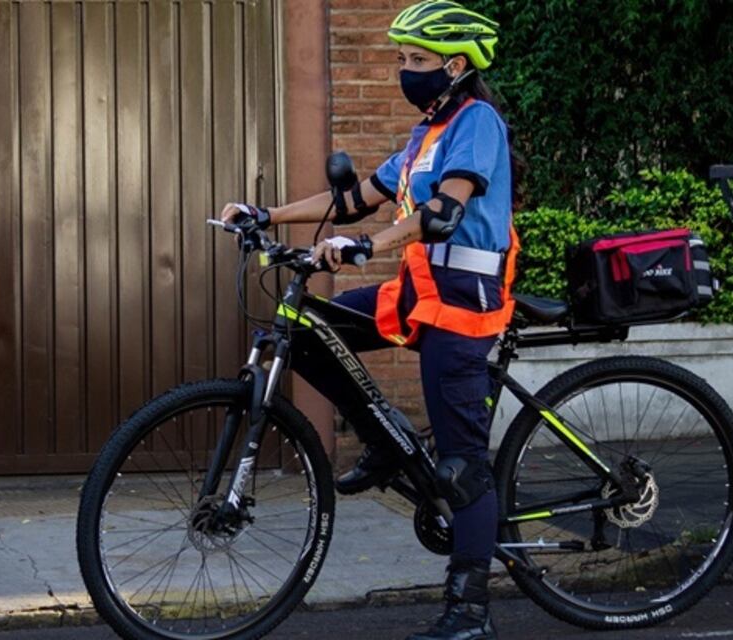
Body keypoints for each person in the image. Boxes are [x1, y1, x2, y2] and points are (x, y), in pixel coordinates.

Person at [221, 2, 519, 638]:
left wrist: (371, 247)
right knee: (299, 333)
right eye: (401, 60)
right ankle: (385, 444)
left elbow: (445, 209)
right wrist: (264, 215)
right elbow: (353, 200)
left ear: (456, 65)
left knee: (463, 466)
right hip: (418, 294)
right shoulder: (426, 134)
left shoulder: (478, 124)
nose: (404, 72)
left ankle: (470, 612)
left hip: (464, 306)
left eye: (417, 61)